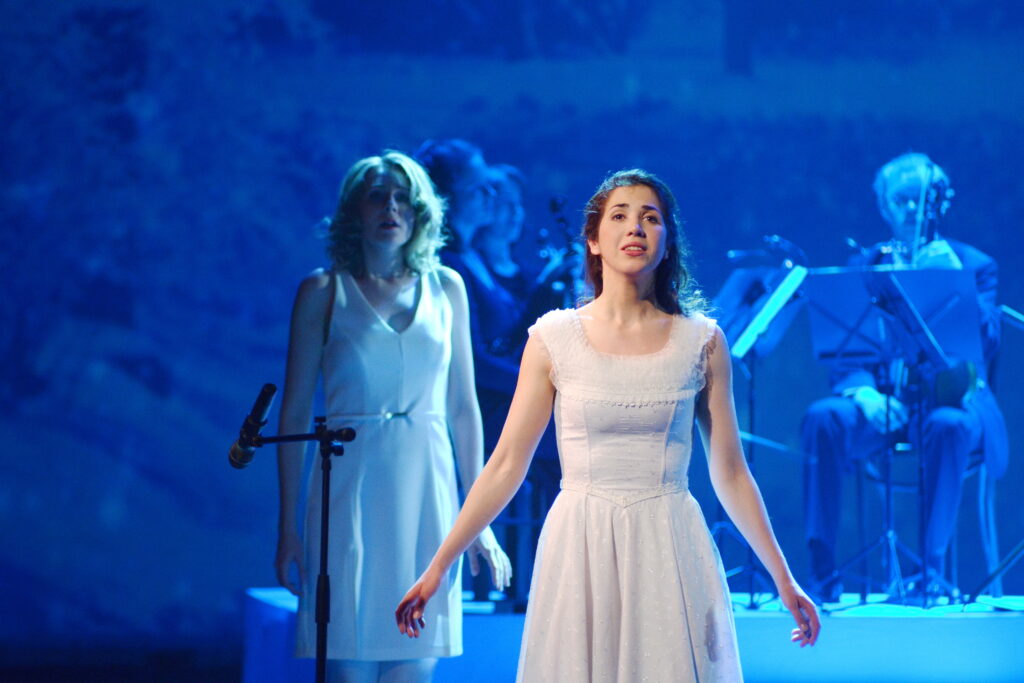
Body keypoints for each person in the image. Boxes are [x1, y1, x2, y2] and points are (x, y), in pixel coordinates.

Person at [396, 169, 820, 680]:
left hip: (669, 543)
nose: (635, 228)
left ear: (667, 242)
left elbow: (730, 473)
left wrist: (784, 577)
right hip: (581, 545)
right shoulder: (554, 338)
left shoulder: (702, 343)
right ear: (594, 241)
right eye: (619, 216)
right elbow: (507, 463)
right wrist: (440, 565)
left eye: (650, 218)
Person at [273, 151, 511, 683]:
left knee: (413, 667)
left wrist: (481, 526)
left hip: (427, 490)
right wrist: (287, 527)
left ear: (421, 211)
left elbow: (463, 410)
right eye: (378, 195)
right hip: (350, 489)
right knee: (348, 667)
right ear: (354, 210)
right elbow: (293, 415)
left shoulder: (448, 287)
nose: (391, 208)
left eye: (403, 197)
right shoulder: (321, 292)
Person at [802, 152, 1008, 601]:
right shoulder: (866, 263)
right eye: (902, 201)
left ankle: (930, 571)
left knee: (948, 425)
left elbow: (988, 342)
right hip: (885, 407)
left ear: (938, 204)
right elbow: (845, 349)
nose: (913, 210)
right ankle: (821, 572)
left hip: (951, 406)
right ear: (884, 207)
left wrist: (952, 277)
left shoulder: (973, 264)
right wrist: (863, 394)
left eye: (921, 200)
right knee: (825, 416)